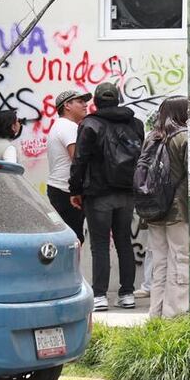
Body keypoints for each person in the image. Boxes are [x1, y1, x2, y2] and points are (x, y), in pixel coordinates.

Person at [69, 82, 145, 312]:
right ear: (118, 99)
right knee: (124, 241)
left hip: (98, 193)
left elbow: (80, 160)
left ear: (96, 101)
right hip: (127, 192)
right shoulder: (136, 124)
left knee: (100, 244)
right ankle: (127, 293)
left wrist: (75, 190)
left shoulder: (90, 124)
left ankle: (100, 295)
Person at [143, 96, 190, 318]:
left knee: (159, 260)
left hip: (153, 207)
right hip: (177, 209)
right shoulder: (184, 137)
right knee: (180, 257)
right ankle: (175, 313)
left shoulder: (151, 137)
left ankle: (156, 312)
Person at [46, 90, 91, 244]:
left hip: (60, 189)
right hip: (67, 192)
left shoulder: (60, 125)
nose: (85, 105)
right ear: (67, 105)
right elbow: (78, 159)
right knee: (73, 240)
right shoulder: (68, 127)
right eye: (80, 101)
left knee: (69, 239)